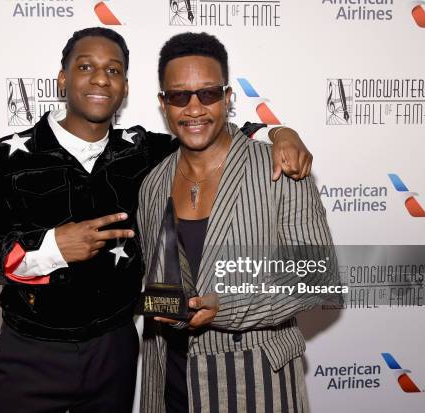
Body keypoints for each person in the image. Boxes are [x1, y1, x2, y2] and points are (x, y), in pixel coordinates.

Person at [0, 27, 313, 413]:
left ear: (124, 86)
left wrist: (278, 132)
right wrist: (51, 248)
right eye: (85, 66)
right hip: (31, 354)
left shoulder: (143, 152)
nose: (100, 78)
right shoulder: (9, 157)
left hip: (116, 353)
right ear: (63, 78)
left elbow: (205, 127)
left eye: (114, 70)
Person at [137, 32, 338, 412]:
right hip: (169, 386)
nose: (194, 108)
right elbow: (160, 284)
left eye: (208, 94)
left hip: (255, 387)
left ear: (228, 98)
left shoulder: (278, 169)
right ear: (163, 104)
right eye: (180, 96)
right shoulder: (153, 184)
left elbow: (318, 278)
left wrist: (226, 306)